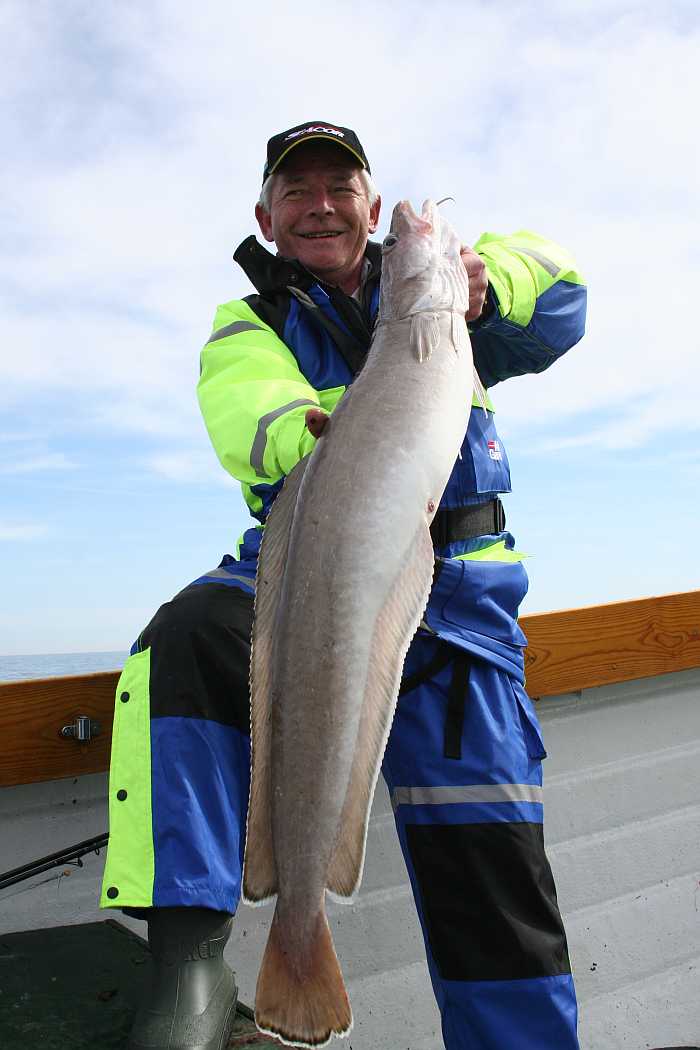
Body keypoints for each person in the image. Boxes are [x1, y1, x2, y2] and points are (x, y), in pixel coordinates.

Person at [100, 120, 587, 1050]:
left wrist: (489, 285)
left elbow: (564, 295)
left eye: (343, 189)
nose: (321, 206)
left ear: (370, 209)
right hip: (307, 575)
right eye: (297, 191)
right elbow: (251, 413)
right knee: (188, 636)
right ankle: (189, 953)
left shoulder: (455, 314)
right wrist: (313, 434)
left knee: (496, 885)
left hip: (462, 611)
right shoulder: (249, 323)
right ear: (267, 217)